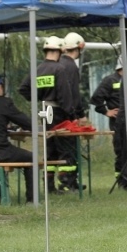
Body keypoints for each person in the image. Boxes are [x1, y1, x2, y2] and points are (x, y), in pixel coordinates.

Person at [18, 35, 73, 194]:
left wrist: (36, 98)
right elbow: (64, 95)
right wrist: (70, 114)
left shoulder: (37, 69)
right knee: (64, 148)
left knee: (49, 149)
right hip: (58, 112)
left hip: (44, 111)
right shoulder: (59, 69)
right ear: (59, 52)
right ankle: (67, 183)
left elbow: (23, 89)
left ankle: (48, 186)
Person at [0, 74, 34, 203]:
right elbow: (26, 123)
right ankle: (32, 199)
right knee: (30, 157)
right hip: (0, 151)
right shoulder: (5, 103)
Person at [55, 31, 86, 191]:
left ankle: (50, 185)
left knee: (53, 150)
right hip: (67, 116)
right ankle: (68, 183)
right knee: (69, 149)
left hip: (52, 114)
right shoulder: (71, 66)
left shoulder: (57, 63)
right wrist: (79, 115)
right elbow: (74, 94)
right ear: (79, 48)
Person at [90, 57, 123, 131]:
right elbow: (96, 97)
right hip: (118, 121)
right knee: (120, 141)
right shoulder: (110, 80)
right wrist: (106, 112)